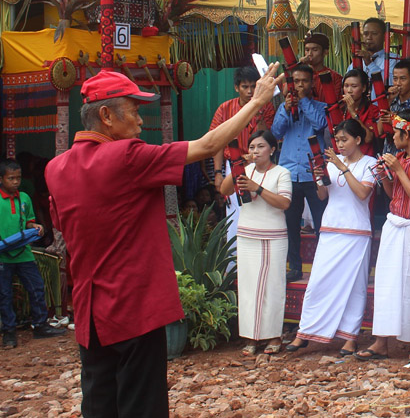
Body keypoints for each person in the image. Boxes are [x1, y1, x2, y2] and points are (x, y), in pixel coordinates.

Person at [45, 64, 280, 418]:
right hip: (135, 307)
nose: (141, 121)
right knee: (142, 405)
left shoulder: (55, 169)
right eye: (136, 110)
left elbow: (63, 225)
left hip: (90, 312)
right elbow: (209, 144)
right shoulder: (127, 156)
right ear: (106, 115)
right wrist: (257, 101)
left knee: (99, 402)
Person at [357, 109, 410, 363]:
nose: (392, 137)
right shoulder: (400, 158)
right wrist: (385, 175)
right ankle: (381, 341)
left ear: (407, 134)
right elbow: (393, 191)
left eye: (396, 133)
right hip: (395, 223)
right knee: (387, 283)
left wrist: (399, 170)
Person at [288, 119, 377, 355]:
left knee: (354, 286)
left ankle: (350, 337)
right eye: (337, 140)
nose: (339, 144)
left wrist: (341, 166)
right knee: (318, 281)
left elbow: (362, 193)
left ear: (358, 140)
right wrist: (319, 177)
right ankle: (305, 331)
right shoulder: (331, 164)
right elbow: (322, 196)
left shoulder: (371, 163)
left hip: (357, 231)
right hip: (330, 227)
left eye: (344, 140)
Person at [218, 130, 292, 356]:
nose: (255, 151)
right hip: (247, 234)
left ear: (272, 149)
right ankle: (251, 337)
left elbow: (284, 203)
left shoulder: (282, 173)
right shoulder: (245, 170)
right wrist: (237, 166)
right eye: (251, 147)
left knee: (272, 285)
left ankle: (273, 336)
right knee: (249, 286)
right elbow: (224, 190)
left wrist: (257, 188)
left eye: (260, 147)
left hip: (273, 235)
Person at [271, 64, 329, 283]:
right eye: (296, 81)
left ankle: (323, 268)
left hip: (313, 174)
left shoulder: (320, 106)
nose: (300, 85)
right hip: (289, 173)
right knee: (291, 224)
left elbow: (320, 124)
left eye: (304, 81)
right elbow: (276, 132)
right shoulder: (283, 107)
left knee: (321, 224)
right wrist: (286, 109)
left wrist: (303, 101)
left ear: (312, 83)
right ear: (290, 83)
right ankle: (294, 267)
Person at [0, 159, 64, 348]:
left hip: (24, 253)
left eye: (18, 178)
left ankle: (40, 325)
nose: (15, 182)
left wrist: (35, 226)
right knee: (4, 294)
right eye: (11, 178)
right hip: (3, 255)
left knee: (36, 288)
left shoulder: (25, 198)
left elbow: (28, 221)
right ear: (1, 179)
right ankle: (9, 332)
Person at [210, 66, 276, 246]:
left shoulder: (267, 107)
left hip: (261, 167)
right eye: (245, 87)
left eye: (253, 87)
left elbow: (267, 137)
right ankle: (234, 268)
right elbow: (216, 142)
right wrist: (218, 172)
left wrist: (259, 111)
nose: (249, 91)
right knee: (234, 214)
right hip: (233, 166)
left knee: (259, 209)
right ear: (236, 87)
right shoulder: (225, 109)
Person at [329, 69, 380, 156]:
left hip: (366, 158)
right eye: (346, 86)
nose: (349, 90)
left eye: (354, 86)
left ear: (363, 88)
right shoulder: (340, 109)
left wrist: (353, 113)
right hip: (345, 158)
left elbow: (368, 138)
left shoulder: (372, 109)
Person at [360, 17, 397, 91]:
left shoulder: (393, 59)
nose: (369, 38)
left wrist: (370, 64)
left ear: (384, 37)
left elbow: (391, 84)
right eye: (365, 34)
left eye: (374, 34)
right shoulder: (358, 60)